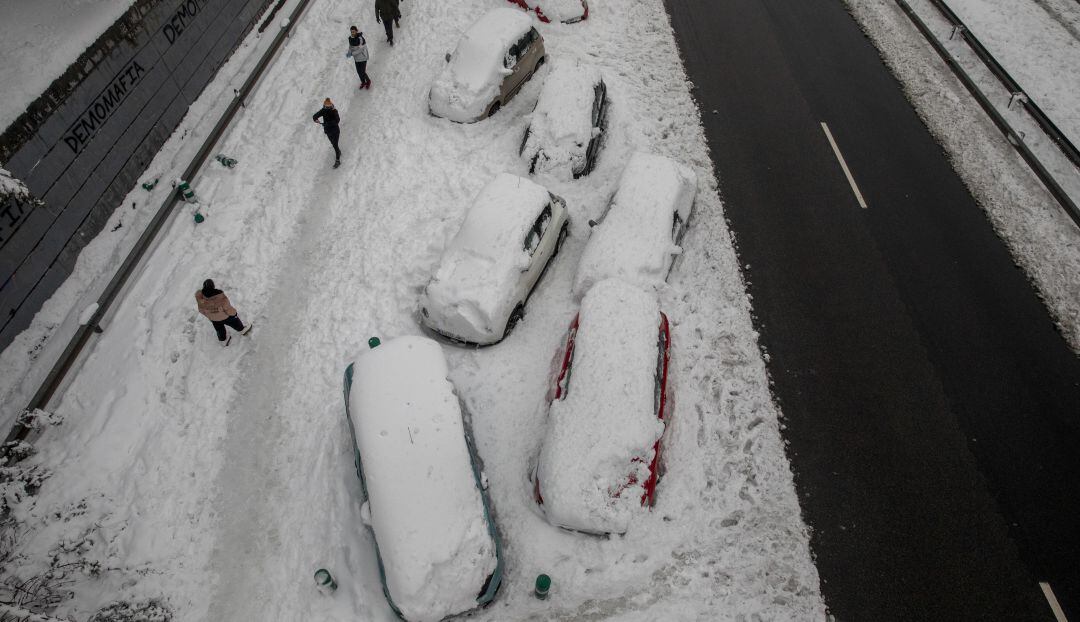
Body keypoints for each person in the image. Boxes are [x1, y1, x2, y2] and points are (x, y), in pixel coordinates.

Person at [195, 279, 251, 347]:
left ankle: (223, 340)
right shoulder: (220, 297)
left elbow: (201, 310)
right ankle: (242, 330)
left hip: (214, 319)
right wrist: (234, 314)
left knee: (219, 329)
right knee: (234, 321)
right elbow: (227, 308)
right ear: (213, 286)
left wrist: (209, 316)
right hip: (225, 317)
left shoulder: (200, 299)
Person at [312, 98, 341, 168]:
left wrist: (326, 124)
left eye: (328, 106)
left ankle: (338, 160)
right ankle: (338, 151)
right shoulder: (323, 110)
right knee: (333, 144)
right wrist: (316, 120)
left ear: (331, 105)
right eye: (326, 106)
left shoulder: (334, 111)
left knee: (335, 144)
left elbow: (337, 120)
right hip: (328, 131)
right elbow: (315, 116)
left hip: (335, 131)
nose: (327, 107)